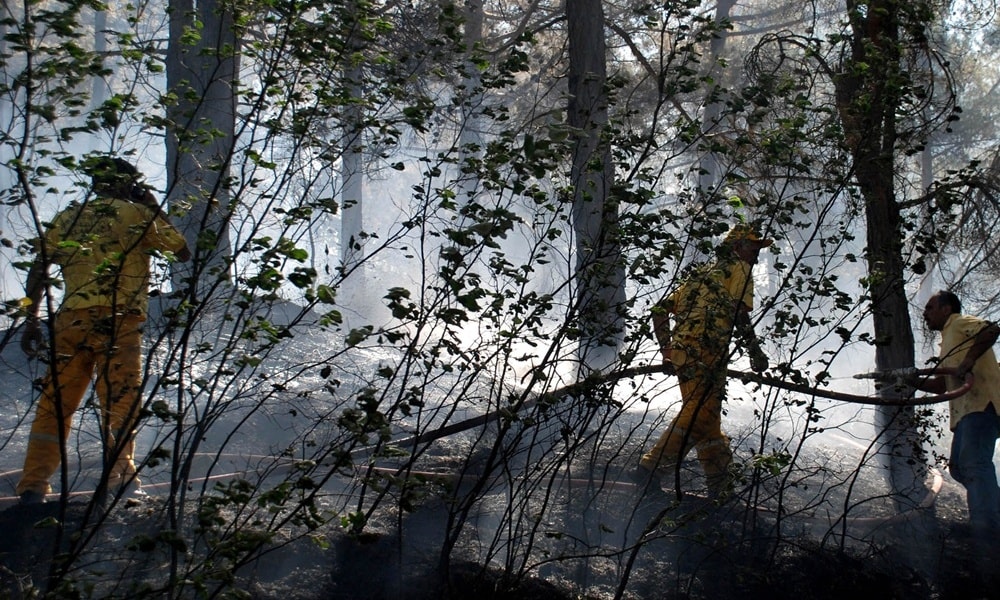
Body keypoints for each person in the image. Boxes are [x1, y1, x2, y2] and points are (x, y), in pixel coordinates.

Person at [16, 157, 191, 505]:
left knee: (55, 404)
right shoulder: (137, 215)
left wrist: (31, 318)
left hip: (70, 321)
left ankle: (33, 487)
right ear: (127, 184)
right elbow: (182, 252)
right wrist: (152, 206)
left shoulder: (69, 216)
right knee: (120, 402)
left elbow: (38, 268)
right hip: (118, 320)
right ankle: (120, 479)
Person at [635, 224, 771, 497]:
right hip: (708, 353)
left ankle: (721, 487)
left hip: (684, 354)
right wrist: (755, 351)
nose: (756, 256)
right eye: (753, 248)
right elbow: (737, 312)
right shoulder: (739, 269)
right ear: (737, 247)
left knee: (708, 420)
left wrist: (668, 349)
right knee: (699, 414)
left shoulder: (700, 273)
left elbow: (659, 310)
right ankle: (650, 467)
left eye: (758, 250)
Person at [910, 290, 1000, 532]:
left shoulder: (959, 323)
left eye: (930, 308)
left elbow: (991, 329)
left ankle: (987, 525)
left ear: (946, 309)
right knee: (959, 467)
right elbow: (942, 385)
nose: (925, 314)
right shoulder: (948, 342)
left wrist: (969, 361)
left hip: (982, 405)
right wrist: (910, 381)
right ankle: (991, 514)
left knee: (974, 463)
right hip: (966, 412)